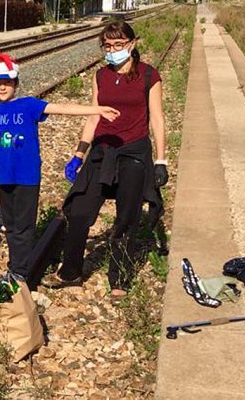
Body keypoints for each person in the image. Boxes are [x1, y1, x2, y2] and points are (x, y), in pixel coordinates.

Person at [0, 54, 120, 280]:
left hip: (27, 176)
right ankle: (16, 264)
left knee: (24, 225)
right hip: (4, 177)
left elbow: (61, 108)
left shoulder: (28, 105)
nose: (2, 87)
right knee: (10, 224)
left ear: (16, 84)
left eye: (7, 83)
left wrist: (96, 110)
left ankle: (20, 270)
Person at [55, 20, 168, 300]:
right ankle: (70, 272)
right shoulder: (100, 76)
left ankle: (119, 278)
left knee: (126, 218)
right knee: (79, 212)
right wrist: (79, 153)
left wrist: (161, 160)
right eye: (107, 45)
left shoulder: (148, 76)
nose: (113, 50)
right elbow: (93, 115)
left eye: (119, 44)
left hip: (133, 153)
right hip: (101, 152)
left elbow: (157, 118)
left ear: (132, 43)